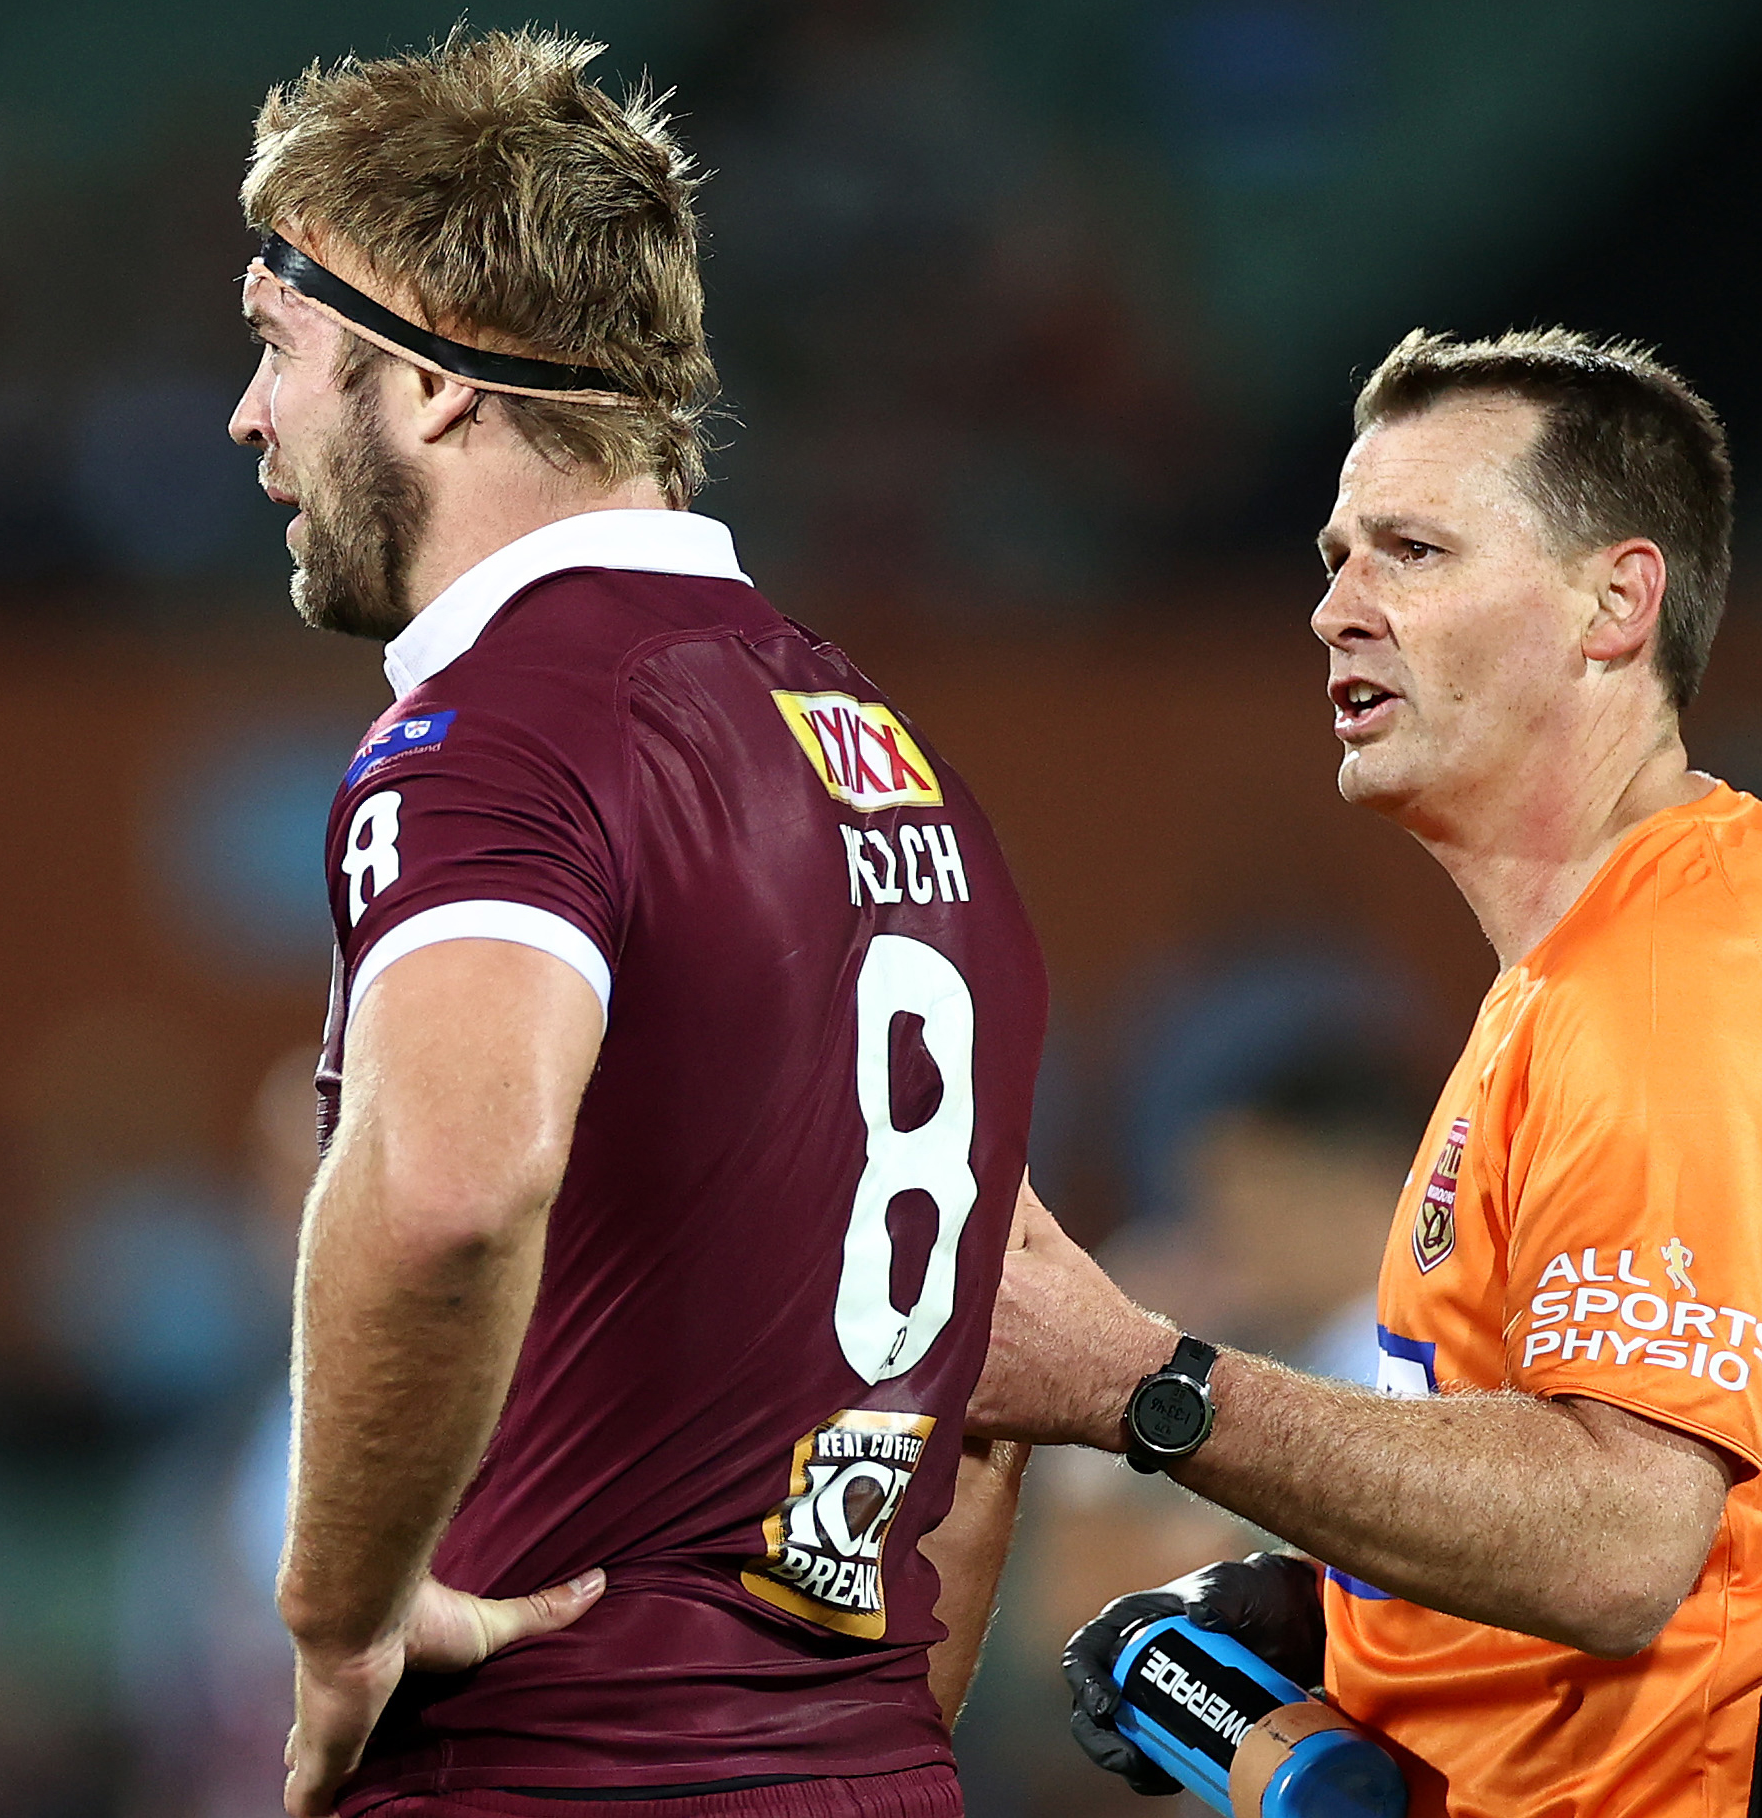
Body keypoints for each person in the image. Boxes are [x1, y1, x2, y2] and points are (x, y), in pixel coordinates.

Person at [966, 328, 1762, 1818]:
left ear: (1613, 603)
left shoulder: (1666, 996)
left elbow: (1622, 1536)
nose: (1334, 611)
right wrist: (1348, 1605)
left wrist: (1147, 1386)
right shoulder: (1634, 944)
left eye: (1412, 551)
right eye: (1333, 556)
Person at [230, 31, 1049, 1818]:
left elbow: (449, 1189)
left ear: (435, 379)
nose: (249, 420)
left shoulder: (495, 732)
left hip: (553, 1769)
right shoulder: (890, 767)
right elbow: (981, 1401)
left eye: (276, 348)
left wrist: (340, 1614)